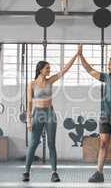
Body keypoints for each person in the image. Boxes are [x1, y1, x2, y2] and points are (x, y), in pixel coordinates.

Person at [22, 46, 81, 182]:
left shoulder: (50, 81)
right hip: (37, 114)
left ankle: (54, 172)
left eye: (49, 68)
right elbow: (29, 103)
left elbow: (64, 70)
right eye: (47, 68)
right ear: (40, 69)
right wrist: (29, 120)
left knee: (51, 143)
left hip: (49, 113)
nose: (49, 70)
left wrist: (76, 55)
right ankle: (26, 171)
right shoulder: (31, 84)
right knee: (33, 143)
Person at [78, 46, 111, 183]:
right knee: (103, 144)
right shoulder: (106, 78)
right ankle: (99, 173)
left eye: (110, 63)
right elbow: (90, 70)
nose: (108, 66)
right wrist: (80, 55)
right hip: (105, 116)